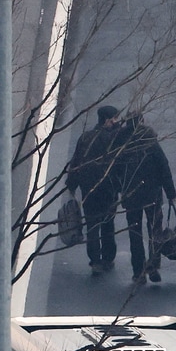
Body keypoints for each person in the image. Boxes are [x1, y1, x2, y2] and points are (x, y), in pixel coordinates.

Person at [118, 112, 176, 285]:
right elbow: (163, 166)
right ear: (142, 121)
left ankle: (138, 271)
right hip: (152, 193)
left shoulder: (121, 143)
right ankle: (153, 266)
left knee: (134, 232)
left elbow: (114, 169)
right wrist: (170, 192)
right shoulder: (150, 141)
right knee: (155, 229)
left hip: (131, 194)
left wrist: (119, 190)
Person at [66, 104, 126, 273]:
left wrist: (72, 184)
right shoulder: (113, 139)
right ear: (107, 120)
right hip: (108, 189)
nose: (116, 121)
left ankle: (95, 261)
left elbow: (76, 161)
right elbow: (120, 162)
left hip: (88, 188)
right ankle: (108, 258)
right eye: (115, 119)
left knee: (92, 225)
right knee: (108, 224)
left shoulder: (86, 137)